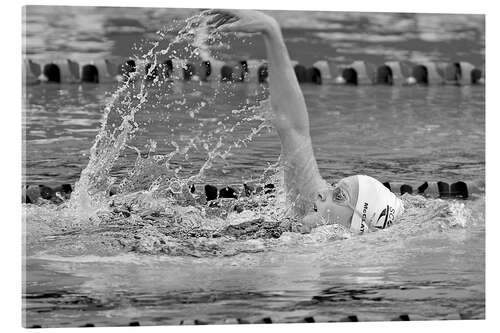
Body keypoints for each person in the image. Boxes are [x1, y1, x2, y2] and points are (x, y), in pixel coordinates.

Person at [204, 9, 404, 234]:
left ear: (357, 223)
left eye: (338, 196)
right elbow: (293, 126)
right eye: (333, 189)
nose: (321, 192)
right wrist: (271, 31)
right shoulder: (312, 211)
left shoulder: (314, 256)